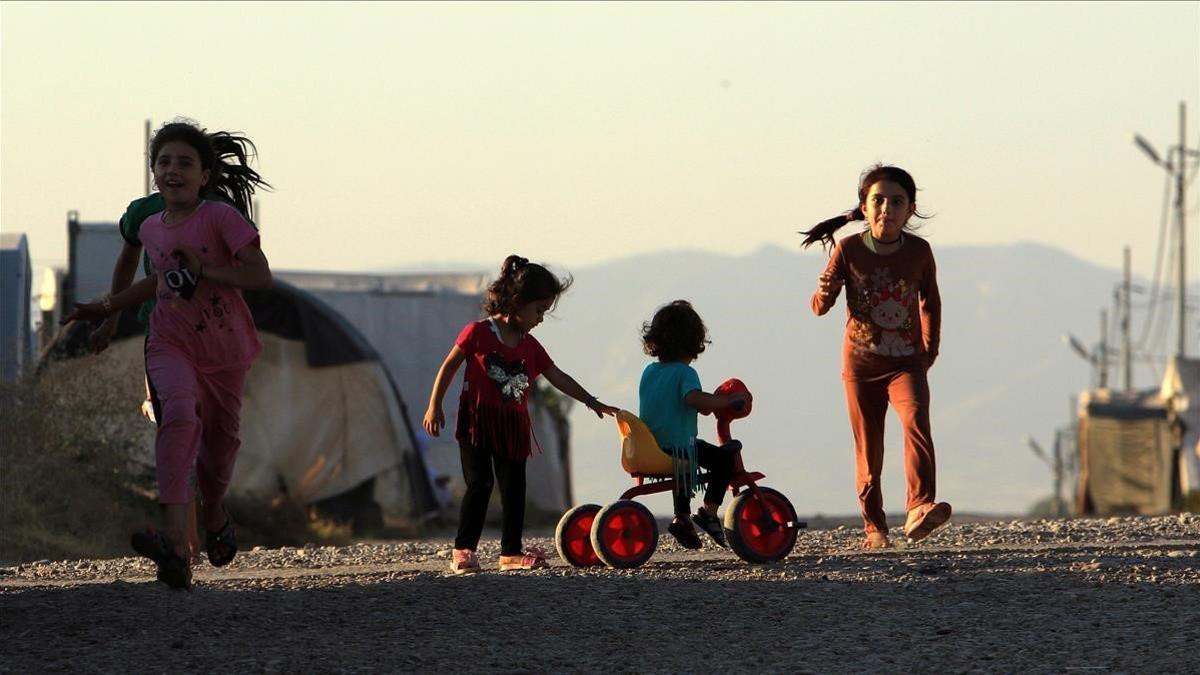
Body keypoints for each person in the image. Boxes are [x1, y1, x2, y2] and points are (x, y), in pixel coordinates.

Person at [62, 120, 272, 588]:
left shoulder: (221, 216)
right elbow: (152, 276)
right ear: (152, 170)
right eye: (164, 162)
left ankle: (214, 512)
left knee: (217, 453)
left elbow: (260, 277)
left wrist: (207, 270)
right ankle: (176, 546)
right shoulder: (147, 220)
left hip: (225, 348)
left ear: (203, 174)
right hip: (168, 339)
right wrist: (108, 312)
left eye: (184, 162)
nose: (172, 170)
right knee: (176, 416)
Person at [422, 255, 618, 574]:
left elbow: (558, 377)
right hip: (477, 424)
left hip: (512, 428)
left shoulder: (531, 348)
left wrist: (592, 401)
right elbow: (449, 366)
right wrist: (435, 405)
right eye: (539, 310)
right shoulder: (478, 333)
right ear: (518, 302)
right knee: (480, 484)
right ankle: (463, 549)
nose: (540, 319)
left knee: (514, 489)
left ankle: (510, 552)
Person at [801, 163, 951, 550]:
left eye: (897, 201)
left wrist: (928, 351)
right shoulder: (849, 249)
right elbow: (819, 308)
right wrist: (823, 287)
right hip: (861, 367)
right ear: (864, 208)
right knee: (870, 448)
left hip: (906, 363)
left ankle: (919, 508)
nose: (887, 208)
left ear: (911, 209)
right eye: (878, 201)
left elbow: (930, 302)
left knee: (917, 422)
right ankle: (875, 527)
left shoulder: (919, 251)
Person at [638, 300, 748, 550]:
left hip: (652, 447)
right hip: (677, 448)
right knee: (723, 460)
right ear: (692, 342)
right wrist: (726, 401)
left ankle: (682, 518)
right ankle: (709, 512)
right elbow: (694, 399)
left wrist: (709, 404)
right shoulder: (685, 373)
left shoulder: (649, 372)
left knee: (685, 462)